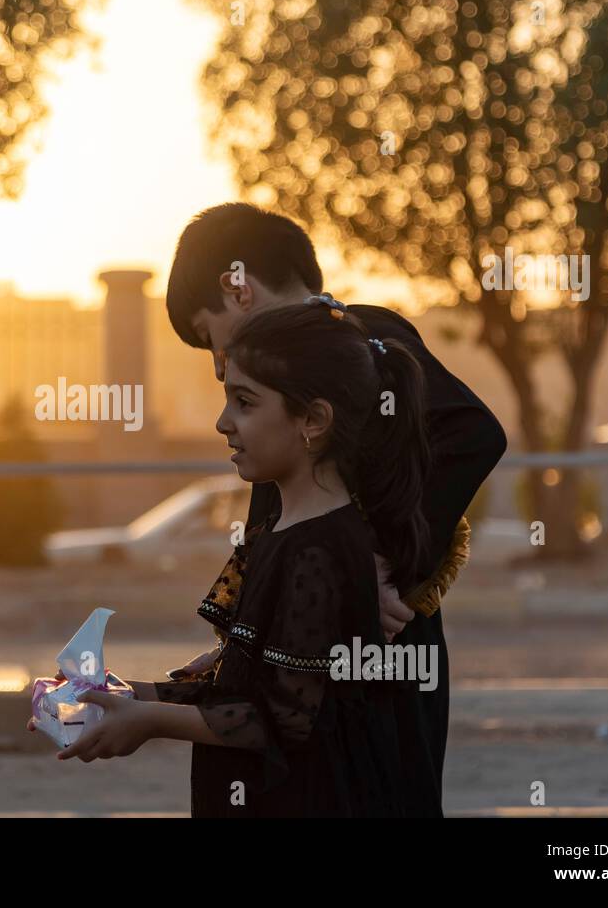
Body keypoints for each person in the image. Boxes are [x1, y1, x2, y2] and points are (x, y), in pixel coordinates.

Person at [157, 203, 507, 815]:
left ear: (237, 287)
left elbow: (474, 434)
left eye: (209, 336)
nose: (217, 366)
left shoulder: (357, 339)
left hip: (381, 653)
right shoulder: (281, 383)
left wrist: (380, 562)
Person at [50, 304, 429, 816]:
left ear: (313, 420)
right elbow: (239, 683)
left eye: (245, 402)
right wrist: (116, 696)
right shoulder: (274, 530)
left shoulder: (320, 550)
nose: (222, 422)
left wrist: (149, 721)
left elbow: (284, 719)